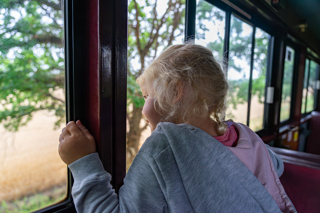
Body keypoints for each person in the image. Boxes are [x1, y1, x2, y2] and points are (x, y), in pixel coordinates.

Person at [58, 43, 296, 213]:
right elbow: (276, 166)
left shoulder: (165, 148)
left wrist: (83, 164)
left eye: (147, 96)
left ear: (174, 92)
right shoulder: (246, 136)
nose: (143, 108)